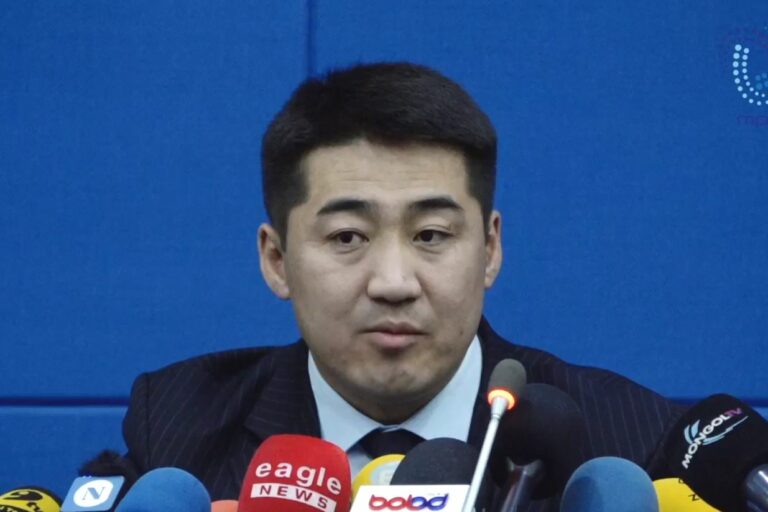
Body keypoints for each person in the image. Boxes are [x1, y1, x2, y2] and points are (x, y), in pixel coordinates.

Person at [112, 62, 685, 510]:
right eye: (347, 237)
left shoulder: (629, 443)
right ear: (276, 259)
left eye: (431, 235)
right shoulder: (179, 432)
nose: (393, 283)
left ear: (489, 249)